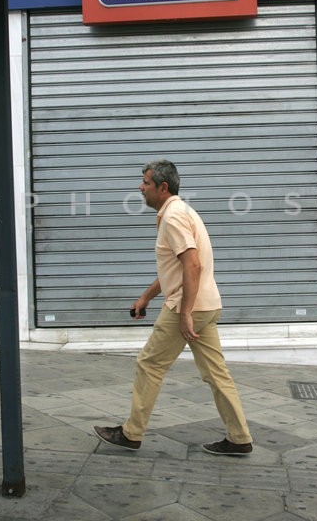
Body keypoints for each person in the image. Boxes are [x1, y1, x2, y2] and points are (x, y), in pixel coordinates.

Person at [94, 160, 254, 456]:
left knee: (150, 364)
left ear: (162, 187)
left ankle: (131, 433)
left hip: (189, 306)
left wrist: (184, 314)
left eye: (145, 183)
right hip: (206, 305)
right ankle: (240, 437)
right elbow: (178, 267)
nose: (140, 188)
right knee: (217, 374)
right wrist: (146, 297)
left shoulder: (174, 217)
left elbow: (192, 265)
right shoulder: (180, 212)